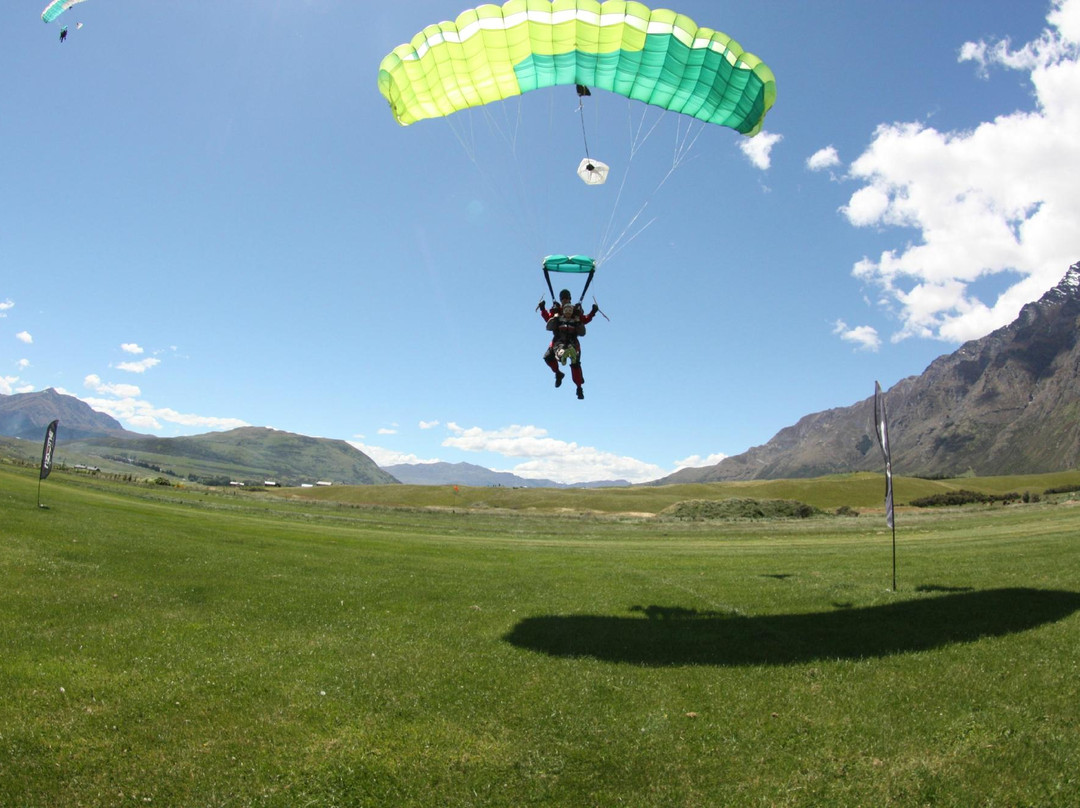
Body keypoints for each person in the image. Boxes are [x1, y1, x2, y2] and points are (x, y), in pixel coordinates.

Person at [539, 288, 599, 399]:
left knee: (575, 364)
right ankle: (558, 373)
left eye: (567, 298)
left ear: (570, 299)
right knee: (548, 358)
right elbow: (548, 319)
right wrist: (542, 308)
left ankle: (579, 388)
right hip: (558, 340)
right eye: (563, 298)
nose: (565, 300)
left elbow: (584, 320)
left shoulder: (575, 311)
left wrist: (593, 312)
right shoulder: (556, 310)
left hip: (572, 342)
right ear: (561, 300)